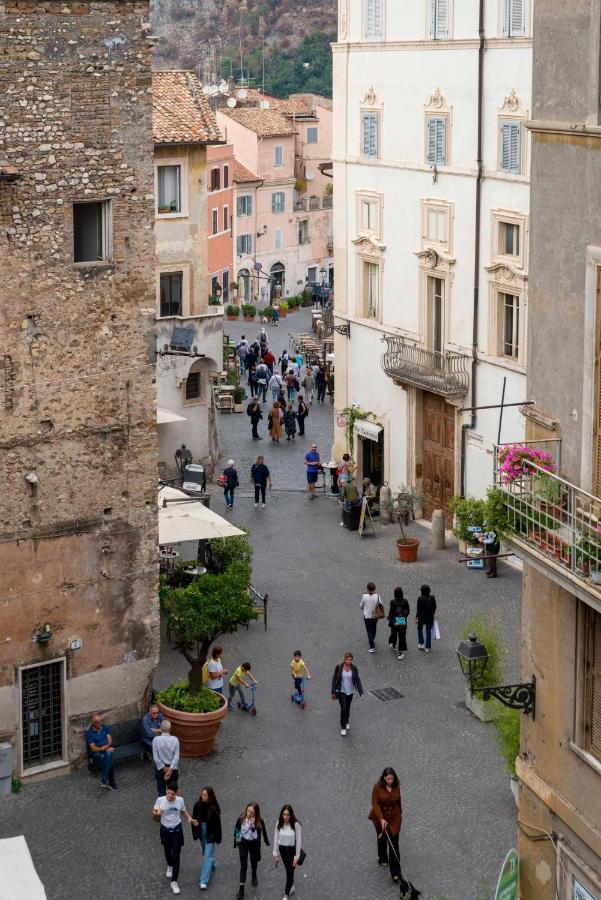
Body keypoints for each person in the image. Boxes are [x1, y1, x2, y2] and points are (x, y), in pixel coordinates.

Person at [152, 781, 198, 896]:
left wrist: (189, 818)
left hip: (177, 830)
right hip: (165, 830)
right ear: (166, 791)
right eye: (168, 793)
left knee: (176, 853)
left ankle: (174, 881)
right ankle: (169, 866)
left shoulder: (180, 800)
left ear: (176, 793)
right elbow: (154, 813)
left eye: (172, 793)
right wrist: (156, 813)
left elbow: (182, 811)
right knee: (167, 851)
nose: (170, 796)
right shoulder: (160, 800)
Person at [368, 768, 402, 883]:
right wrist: (381, 819)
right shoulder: (377, 787)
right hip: (380, 816)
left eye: (392, 778)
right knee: (382, 839)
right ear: (384, 778)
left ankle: (395, 872)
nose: (390, 781)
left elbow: (398, 801)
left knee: (394, 845)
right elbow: (375, 803)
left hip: (394, 818)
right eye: (388, 779)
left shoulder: (396, 786)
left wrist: (400, 814)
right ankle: (383, 858)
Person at [234, 802, 270, 898]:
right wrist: (237, 842)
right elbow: (237, 830)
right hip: (243, 844)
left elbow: (263, 832)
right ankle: (241, 889)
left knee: (254, 862)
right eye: (248, 810)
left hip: (254, 845)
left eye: (252, 812)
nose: (249, 813)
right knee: (243, 865)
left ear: (256, 813)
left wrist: (266, 840)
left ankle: (254, 874)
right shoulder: (241, 818)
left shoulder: (259, 821)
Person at [192, 786, 222, 891]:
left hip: (211, 833)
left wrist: (218, 837)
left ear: (210, 797)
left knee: (207, 855)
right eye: (202, 794)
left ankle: (203, 880)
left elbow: (218, 824)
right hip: (201, 830)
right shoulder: (197, 805)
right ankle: (212, 864)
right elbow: (194, 818)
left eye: (205, 795)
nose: (202, 796)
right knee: (205, 850)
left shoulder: (214, 808)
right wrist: (195, 830)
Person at [331, 652, 364, 736]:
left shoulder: (354, 668)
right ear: (344, 659)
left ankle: (346, 721)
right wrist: (333, 691)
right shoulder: (339, 667)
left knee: (348, 708)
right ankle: (343, 727)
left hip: (350, 692)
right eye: (347, 659)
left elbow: (357, 680)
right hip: (341, 691)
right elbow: (334, 678)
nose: (348, 661)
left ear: (351, 660)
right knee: (344, 708)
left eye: (350, 660)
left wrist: (361, 693)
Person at [273, 805, 302, 900]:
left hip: (292, 851)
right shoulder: (278, 824)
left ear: (291, 815)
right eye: (284, 814)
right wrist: (276, 854)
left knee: (290, 872)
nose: (285, 817)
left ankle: (286, 894)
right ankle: (291, 886)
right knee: (288, 870)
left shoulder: (296, 825)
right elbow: (276, 839)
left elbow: (298, 841)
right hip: (283, 851)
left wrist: (296, 857)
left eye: (287, 815)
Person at [85, 713, 119, 791]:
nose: (100, 723)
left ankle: (105, 780)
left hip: (105, 750)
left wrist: (106, 748)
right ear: (93, 724)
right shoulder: (89, 733)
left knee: (108, 755)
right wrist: (104, 748)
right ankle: (111, 783)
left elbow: (110, 741)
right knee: (108, 759)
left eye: (101, 721)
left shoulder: (105, 728)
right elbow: (93, 748)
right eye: (98, 722)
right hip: (97, 753)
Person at [152, 719, 180, 797]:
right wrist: (170, 769)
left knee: (161, 792)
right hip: (173, 769)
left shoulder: (155, 740)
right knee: (173, 792)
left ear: (161, 729)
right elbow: (176, 756)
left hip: (160, 770)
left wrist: (164, 768)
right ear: (170, 729)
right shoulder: (175, 739)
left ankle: (162, 808)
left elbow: (155, 757)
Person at [360, 581, 383, 652]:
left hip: (367, 616)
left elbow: (361, 605)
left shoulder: (364, 596)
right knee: (374, 627)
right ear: (374, 589)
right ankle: (372, 637)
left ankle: (372, 646)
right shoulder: (377, 596)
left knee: (368, 630)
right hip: (375, 616)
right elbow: (381, 604)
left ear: (367, 589)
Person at [388, 587, 410, 660]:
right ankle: (400, 653)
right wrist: (404, 616)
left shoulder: (392, 602)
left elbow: (391, 612)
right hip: (401, 619)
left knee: (394, 632)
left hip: (394, 619)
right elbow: (408, 611)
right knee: (401, 636)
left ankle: (393, 644)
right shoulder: (405, 601)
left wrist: (390, 620)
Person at [415, 583, 437, 653]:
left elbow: (418, 610)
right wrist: (433, 614)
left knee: (419, 629)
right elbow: (434, 607)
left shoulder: (420, 598)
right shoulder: (432, 597)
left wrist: (416, 617)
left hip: (421, 617)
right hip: (430, 617)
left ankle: (421, 643)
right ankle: (428, 647)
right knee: (428, 631)